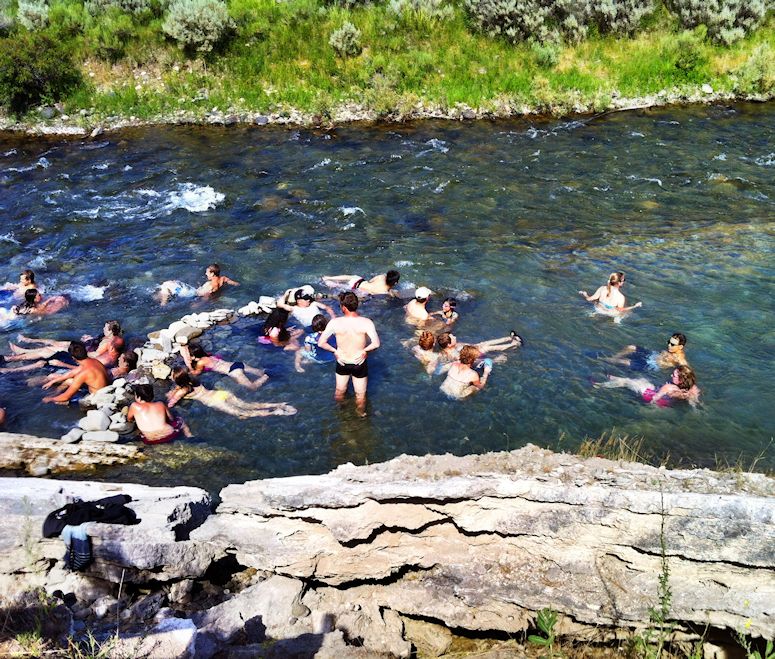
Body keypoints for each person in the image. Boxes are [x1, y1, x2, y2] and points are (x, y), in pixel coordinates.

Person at [317, 291, 380, 416]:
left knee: (339, 391)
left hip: (342, 361)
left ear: (343, 307)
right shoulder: (366, 322)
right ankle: (360, 415)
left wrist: (335, 351)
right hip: (359, 362)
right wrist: (364, 350)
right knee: (360, 395)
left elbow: (321, 343)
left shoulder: (335, 323)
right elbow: (376, 343)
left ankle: (341, 412)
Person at [167, 367, 296, 418]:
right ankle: (279, 404)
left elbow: (171, 404)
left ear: (178, 379)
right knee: (248, 405)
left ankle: (275, 412)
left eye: (172, 375)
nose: (171, 376)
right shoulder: (193, 380)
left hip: (214, 401)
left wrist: (169, 397)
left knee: (244, 413)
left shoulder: (182, 391)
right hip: (221, 394)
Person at [10, 321, 125, 368]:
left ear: (110, 331)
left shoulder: (108, 342)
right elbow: (98, 342)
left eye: (105, 327)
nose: (103, 328)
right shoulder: (109, 336)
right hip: (86, 346)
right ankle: (28, 342)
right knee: (53, 343)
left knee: (50, 350)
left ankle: (21, 354)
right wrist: (90, 338)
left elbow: (95, 354)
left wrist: (78, 351)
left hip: (83, 351)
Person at [595, 365, 701, 407]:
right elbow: (694, 403)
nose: (670, 375)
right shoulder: (693, 388)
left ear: (681, 379)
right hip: (666, 401)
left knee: (626, 382)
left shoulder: (668, 387)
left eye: (673, 375)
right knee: (642, 380)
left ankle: (600, 385)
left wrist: (647, 406)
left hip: (649, 395)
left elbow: (654, 399)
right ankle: (611, 377)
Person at [41, 341, 110, 404]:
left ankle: (52, 396)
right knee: (69, 381)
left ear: (73, 357)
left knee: (59, 401)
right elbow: (71, 373)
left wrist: (50, 399)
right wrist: (52, 381)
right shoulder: (94, 361)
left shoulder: (83, 373)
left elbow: (65, 397)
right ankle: (54, 392)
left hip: (97, 399)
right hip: (104, 390)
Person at [180, 343, 268, 390]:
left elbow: (196, 374)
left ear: (193, 356)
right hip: (237, 364)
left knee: (252, 387)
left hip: (233, 371)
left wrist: (188, 365)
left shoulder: (200, 363)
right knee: (261, 372)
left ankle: (267, 376)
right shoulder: (209, 355)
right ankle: (270, 374)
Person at [127, 383, 192, 444]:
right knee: (179, 419)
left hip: (150, 439)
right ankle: (189, 435)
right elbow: (171, 418)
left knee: (138, 432)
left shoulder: (134, 406)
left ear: (139, 397)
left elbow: (129, 419)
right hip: (170, 434)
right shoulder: (161, 404)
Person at [603, 333, 689, 372]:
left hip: (651, 364)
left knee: (625, 362)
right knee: (631, 347)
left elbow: (687, 371)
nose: (669, 345)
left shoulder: (679, 358)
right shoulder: (671, 349)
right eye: (669, 342)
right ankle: (614, 357)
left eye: (672, 344)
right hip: (652, 354)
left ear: (680, 347)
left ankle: (603, 360)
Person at [158, 263, 239, 305]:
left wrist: (198, 304)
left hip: (190, 293)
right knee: (171, 283)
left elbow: (207, 295)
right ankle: (163, 298)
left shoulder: (212, 285)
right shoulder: (223, 279)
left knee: (166, 285)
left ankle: (163, 304)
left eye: (207, 272)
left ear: (212, 274)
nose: (205, 274)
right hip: (192, 291)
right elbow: (235, 284)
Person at [322, 270, 400, 297]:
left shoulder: (381, 276)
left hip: (359, 280)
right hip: (358, 289)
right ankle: (334, 284)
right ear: (395, 282)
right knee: (341, 287)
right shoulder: (384, 292)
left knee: (348, 277)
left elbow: (370, 281)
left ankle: (329, 278)